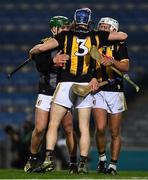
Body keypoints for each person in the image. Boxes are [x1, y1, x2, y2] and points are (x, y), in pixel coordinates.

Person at [29, 8, 128, 174]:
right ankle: (82, 163)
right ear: (89, 22)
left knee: (53, 124)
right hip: (85, 85)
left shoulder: (64, 36)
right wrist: (99, 33)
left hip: (66, 83)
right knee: (83, 127)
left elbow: (41, 48)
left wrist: (33, 50)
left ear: (74, 21)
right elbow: (123, 36)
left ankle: (48, 158)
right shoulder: (97, 36)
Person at [24, 16, 78, 173]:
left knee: (68, 128)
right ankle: (33, 157)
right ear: (54, 29)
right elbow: (41, 67)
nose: (66, 30)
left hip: (64, 90)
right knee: (40, 128)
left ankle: (73, 162)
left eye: (67, 27)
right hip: (46, 90)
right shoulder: (44, 44)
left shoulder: (71, 42)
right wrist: (53, 61)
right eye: (63, 28)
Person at [92, 17, 129, 175]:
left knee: (114, 131)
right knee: (100, 128)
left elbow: (125, 67)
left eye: (105, 27)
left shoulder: (119, 45)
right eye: (100, 26)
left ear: (113, 29)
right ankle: (102, 159)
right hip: (98, 90)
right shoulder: (94, 42)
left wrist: (112, 62)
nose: (101, 28)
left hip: (115, 90)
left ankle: (113, 165)